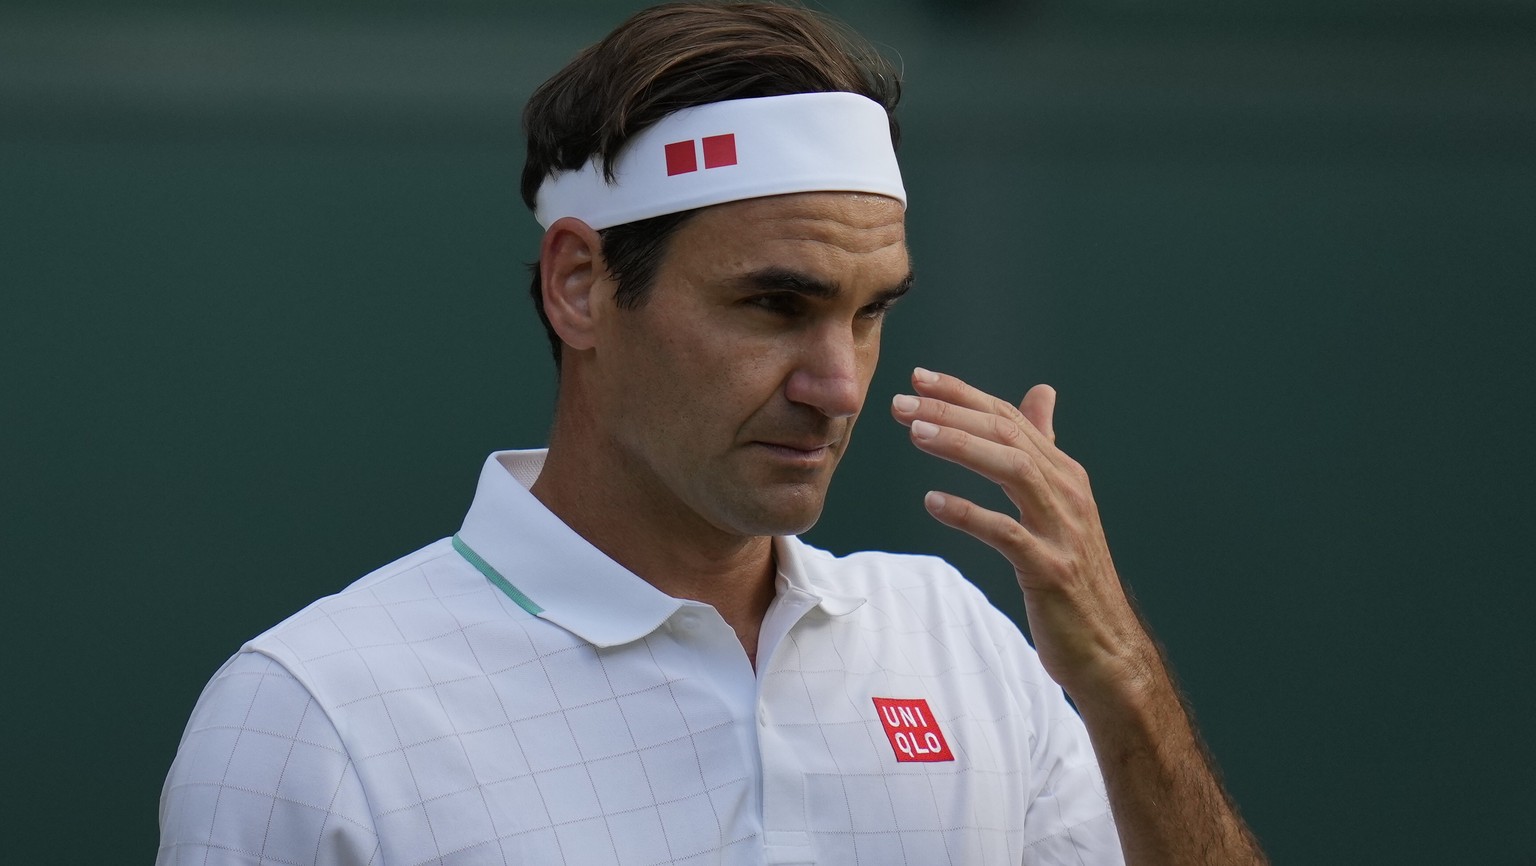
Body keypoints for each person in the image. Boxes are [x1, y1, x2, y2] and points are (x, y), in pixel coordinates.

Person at [158, 3, 1266, 864]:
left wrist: (1124, 683)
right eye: (774, 305)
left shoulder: (961, 646)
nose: (838, 384)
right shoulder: (314, 712)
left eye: (871, 310)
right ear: (580, 285)